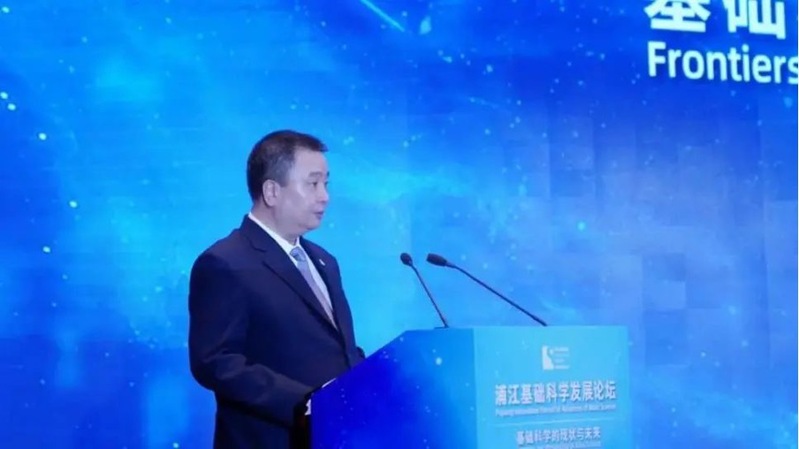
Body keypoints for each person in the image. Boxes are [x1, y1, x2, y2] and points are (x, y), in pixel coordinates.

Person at [187, 129, 366, 449]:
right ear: (271, 191)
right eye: (312, 184)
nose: (324, 196)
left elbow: (338, 350)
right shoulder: (225, 262)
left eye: (326, 183)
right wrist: (306, 403)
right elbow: (215, 362)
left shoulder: (324, 261)